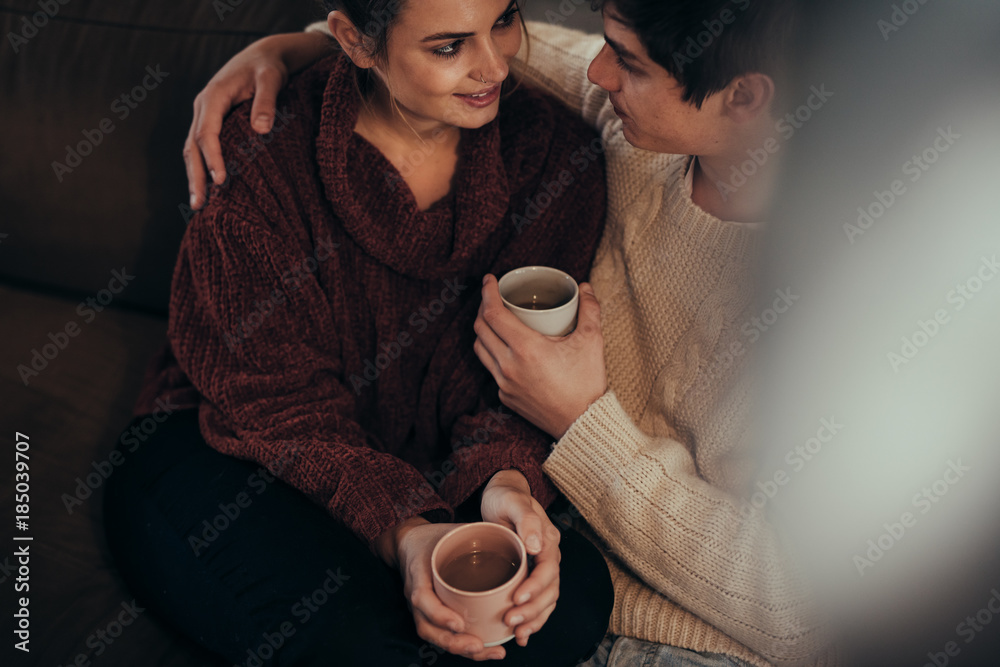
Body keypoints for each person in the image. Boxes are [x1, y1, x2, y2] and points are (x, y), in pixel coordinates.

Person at [183, 1, 842, 665]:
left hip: (704, 640)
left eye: (629, 63)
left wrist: (581, 422)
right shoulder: (631, 127)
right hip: (555, 565)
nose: (596, 70)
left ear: (746, 98)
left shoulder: (854, 294)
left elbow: (807, 613)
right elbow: (434, 38)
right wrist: (288, 48)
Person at [103, 1, 615, 666]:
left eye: (504, 19)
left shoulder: (556, 156)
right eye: (448, 46)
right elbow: (273, 402)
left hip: (438, 465)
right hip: (238, 444)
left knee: (568, 601)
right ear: (353, 41)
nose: (496, 63)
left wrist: (505, 483)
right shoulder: (262, 154)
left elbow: (529, 371)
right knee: (364, 642)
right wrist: (401, 528)